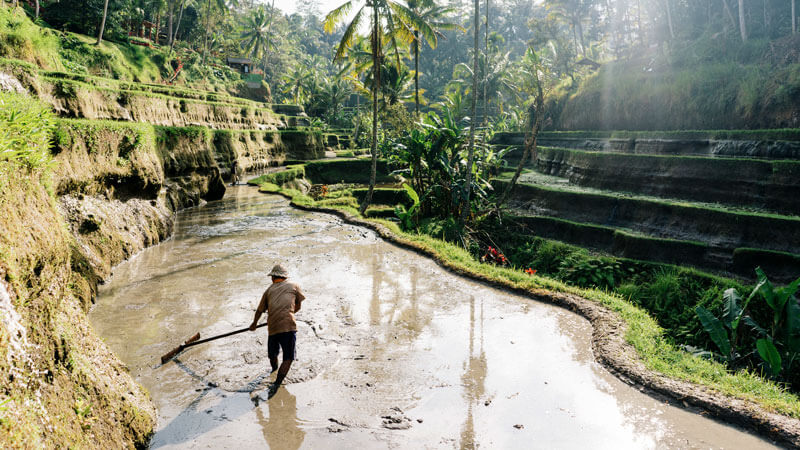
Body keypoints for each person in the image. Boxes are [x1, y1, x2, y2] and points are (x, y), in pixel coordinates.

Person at [250, 263, 305, 397]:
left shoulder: (268, 290)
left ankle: (274, 369)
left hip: (273, 327)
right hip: (288, 325)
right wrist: (290, 312)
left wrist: (254, 324)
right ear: (285, 277)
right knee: (288, 357)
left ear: (273, 277)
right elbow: (298, 305)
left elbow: (259, 310)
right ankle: (277, 383)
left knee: (272, 354)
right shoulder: (294, 286)